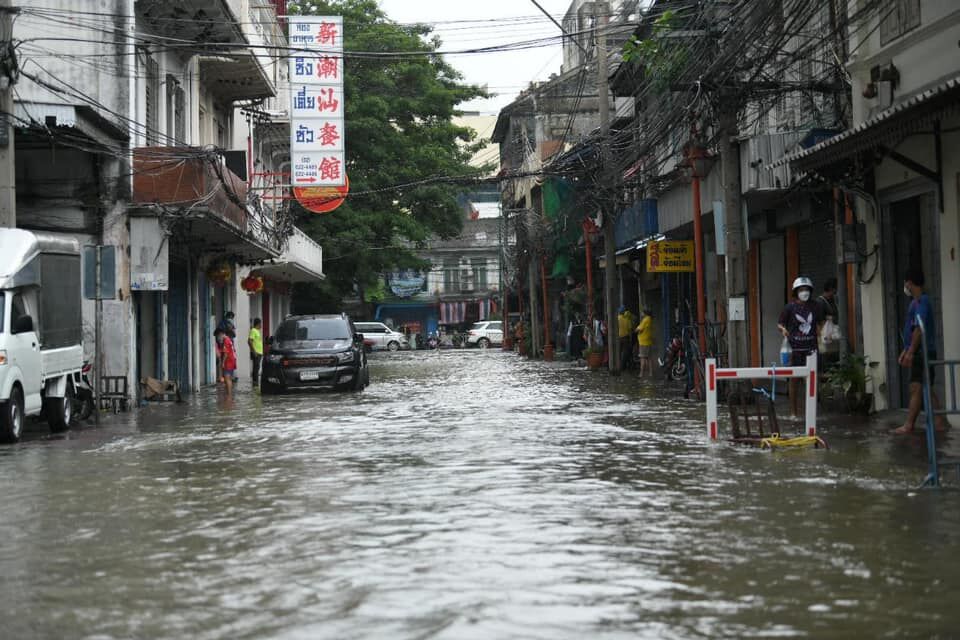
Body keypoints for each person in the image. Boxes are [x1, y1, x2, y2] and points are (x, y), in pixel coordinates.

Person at [894, 268, 948, 434]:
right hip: (917, 350)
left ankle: (909, 424)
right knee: (925, 387)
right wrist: (906, 350)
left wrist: (910, 351)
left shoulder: (922, 301)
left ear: (910, 283)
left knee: (916, 388)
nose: (905, 286)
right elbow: (911, 331)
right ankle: (939, 422)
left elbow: (919, 329)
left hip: (922, 351)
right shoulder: (914, 303)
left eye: (905, 283)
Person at [778, 276, 823, 419]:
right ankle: (793, 412)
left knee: (812, 381)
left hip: (811, 349)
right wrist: (783, 330)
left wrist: (820, 331)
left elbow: (820, 322)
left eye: (807, 290)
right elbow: (780, 323)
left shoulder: (815, 306)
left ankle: (811, 413)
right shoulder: (789, 308)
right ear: (796, 291)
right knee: (794, 381)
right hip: (795, 349)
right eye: (801, 290)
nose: (805, 292)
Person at [817, 277, 842, 367]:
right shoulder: (820, 302)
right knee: (826, 356)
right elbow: (820, 321)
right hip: (826, 335)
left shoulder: (832, 301)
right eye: (835, 289)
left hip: (832, 335)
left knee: (833, 354)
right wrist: (821, 336)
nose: (836, 291)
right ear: (831, 289)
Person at [635, 308, 654, 377]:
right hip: (648, 341)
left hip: (643, 342)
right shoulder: (650, 319)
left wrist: (637, 329)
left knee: (642, 358)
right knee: (649, 358)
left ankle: (641, 374)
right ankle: (650, 373)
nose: (641, 314)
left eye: (642, 312)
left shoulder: (645, 320)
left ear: (645, 313)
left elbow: (638, 329)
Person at [219, 328, 237, 395]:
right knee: (229, 378)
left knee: (227, 378)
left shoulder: (226, 340)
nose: (218, 338)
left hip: (228, 362)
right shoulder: (229, 340)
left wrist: (223, 363)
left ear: (221, 334)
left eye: (219, 336)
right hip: (232, 361)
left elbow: (226, 353)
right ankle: (229, 394)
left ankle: (229, 395)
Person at [617, 305, 634, 370]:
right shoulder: (627, 319)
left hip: (618, 338)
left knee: (619, 352)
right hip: (626, 338)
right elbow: (630, 330)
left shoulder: (617, 318)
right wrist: (630, 338)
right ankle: (623, 367)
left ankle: (619, 366)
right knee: (625, 353)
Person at [248, 317, 264, 387]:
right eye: (260, 324)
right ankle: (255, 383)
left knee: (257, 367)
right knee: (256, 367)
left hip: (259, 352)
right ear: (258, 324)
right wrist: (253, 351)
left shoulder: (257, 331)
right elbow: (249, 341)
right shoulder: (253, 330)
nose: (261, 325)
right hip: (256, 352)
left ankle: (256, 382)